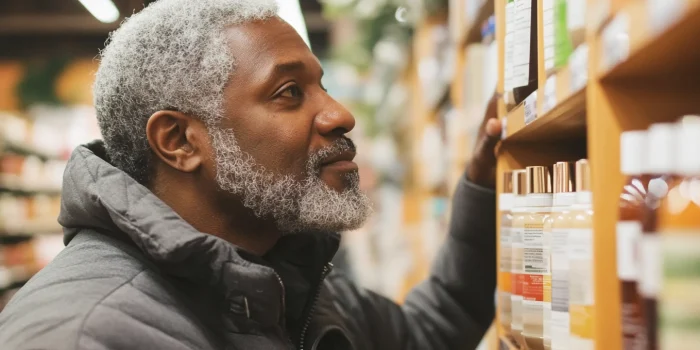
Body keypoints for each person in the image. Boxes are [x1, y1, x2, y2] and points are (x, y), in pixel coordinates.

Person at [0, 1, 503, 349]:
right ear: (179, 142)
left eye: (321, 86)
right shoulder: (88, 334)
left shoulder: (278, 278)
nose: (339, 115)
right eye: (289, 92)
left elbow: (431, 332)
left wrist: (483, 186)